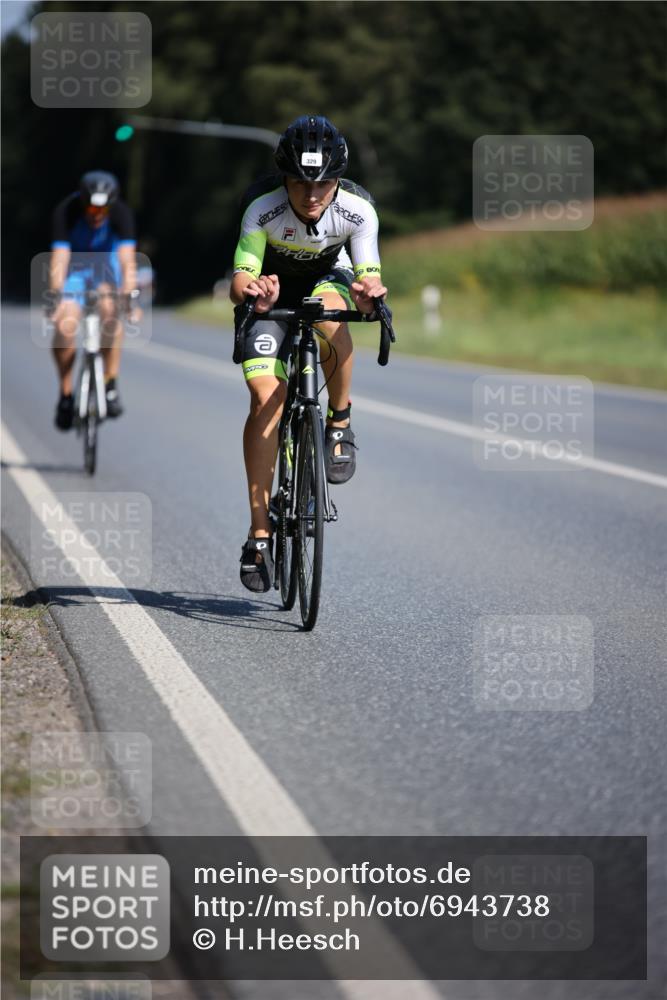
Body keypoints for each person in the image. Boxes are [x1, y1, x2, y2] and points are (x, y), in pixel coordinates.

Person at [230, 114, 387, 592]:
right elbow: (239, 279)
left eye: (323, 183)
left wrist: (369, 292)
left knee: (329, 310)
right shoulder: (262, 208)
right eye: (300, 182)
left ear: (339, 180)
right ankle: (260, 534)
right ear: (285, 178)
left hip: (325, 283)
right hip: (270, 297)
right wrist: (253, 289)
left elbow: (368, 274)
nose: (312, 194)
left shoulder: (358, 210)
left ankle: (339, 422)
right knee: (264, 402)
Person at [47, 171, 139, 430]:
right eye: (91, 208)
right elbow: (59, 259)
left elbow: (126, 260)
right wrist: (55, 296)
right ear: (82, 201)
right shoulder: (66, 211)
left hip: (106, 271)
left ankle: (110, 382)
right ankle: (66, 394)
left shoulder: (121, 213)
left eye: (102, 210)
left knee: (111, 311)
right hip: (75, 271)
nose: (96, 214)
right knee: (65, 324)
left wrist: (130, 296)